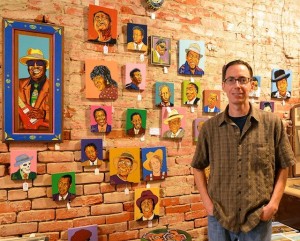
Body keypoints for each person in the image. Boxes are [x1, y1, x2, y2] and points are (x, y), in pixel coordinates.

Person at [191, 59, 295, 241]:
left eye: (242, 79)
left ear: (252, 84)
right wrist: (208, 205)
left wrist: (274, 204)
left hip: (258, 219)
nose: (237, 85)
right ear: (223, 85)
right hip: (219, 218)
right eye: (231, 80)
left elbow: (284, 165)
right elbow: (197, 166)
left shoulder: (272, 124)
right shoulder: (210, 128)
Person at [18, 48, 50, 130]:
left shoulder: (54, 87)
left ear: (45, 67)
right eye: (31, 63)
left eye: (39, 63)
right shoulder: (18, 84)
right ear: (28, 67)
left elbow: (62, 113)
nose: (35, 66)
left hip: (44, 131)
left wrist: (45, 114)